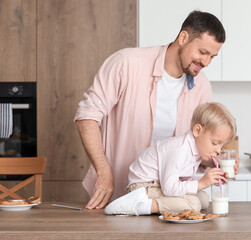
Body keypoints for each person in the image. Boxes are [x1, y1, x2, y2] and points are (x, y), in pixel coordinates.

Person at [74, 10, 227, 209]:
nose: (206, 63)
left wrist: (217, 159)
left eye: (212, 57)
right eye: (202, 52)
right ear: (183, 38)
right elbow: (87, 117)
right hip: (116, 192)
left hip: (168, 196)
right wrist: (103, 171)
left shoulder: (201, 86)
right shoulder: (126, 63)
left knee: (199, 203)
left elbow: (196, 144)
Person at [104, 102, 237, 215]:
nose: (219, 150)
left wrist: (212, 177)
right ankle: (137, 206)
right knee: (194, 204)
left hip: (160, 184)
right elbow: (169, 188)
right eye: (215, 143)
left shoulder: (196, 149)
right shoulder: (179, 150)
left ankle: (151, 204)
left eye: (222, 145)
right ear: (197, 131)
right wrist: (202, 183)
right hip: (144, 186)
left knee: (203, 198)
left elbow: (177, 181)